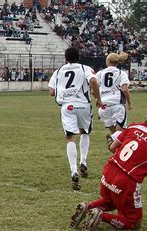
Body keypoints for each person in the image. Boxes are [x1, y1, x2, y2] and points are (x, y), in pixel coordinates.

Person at [70, 103, 147, 231]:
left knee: (112, 201)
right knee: (134, 223)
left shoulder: (135, 126)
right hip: (126, 181)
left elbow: (113, 147)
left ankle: (87, 207)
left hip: (109, 172)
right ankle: (101, 216)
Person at [48, 47, 104, 190]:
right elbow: (93, 81)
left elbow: (51, 91)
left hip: (68, 106)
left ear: (66, 58)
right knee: (84, 132)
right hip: (84, 105)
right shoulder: (85, 68)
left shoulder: (59, 71)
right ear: (79, 57)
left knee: (70, 137)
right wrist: (98, 99)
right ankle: (83, 162)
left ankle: (73, 171)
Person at [97, 52, 132, 137]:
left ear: (107, 61)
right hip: (117, 104)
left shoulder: (100, 73)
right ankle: (115, 143)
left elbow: (94, 89)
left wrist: (97, 100)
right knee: (120, 133)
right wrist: (129, 103)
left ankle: (114, 145)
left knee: (114, 134)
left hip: (104, 105)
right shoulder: (121, 73)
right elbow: (125, 89)